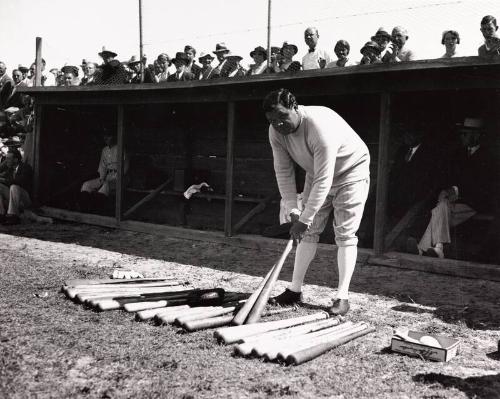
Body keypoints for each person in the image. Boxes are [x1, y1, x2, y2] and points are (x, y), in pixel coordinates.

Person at [264, 88, 370, 315]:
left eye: (283, 116)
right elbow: (283, 172)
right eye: (273, 120)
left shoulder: (319, 127)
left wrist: (305, 218)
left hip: (351, 171)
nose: (279, 124)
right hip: (317, 172)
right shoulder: (275, 132)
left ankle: (342, 297)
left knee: (345, 233)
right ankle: (294, 290)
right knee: (308, 232)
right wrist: (293, 208)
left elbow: (325, 179)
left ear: (295, 107)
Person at [408, 118, 498, 258]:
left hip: (475, 203)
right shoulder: (459, 154)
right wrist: (446, 190)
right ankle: (438, 248)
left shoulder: (488, 157)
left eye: (465, 134)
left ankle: (424, 247)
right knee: (441, 206)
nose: (462, 137)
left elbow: (482, 186)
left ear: (477, 135)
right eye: (462, 134)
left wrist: (455, 191)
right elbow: (450, 176)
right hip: (456, 203)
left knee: (439, 210)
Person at [80, 130, 128, 201]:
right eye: (105, 136)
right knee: (86, 184)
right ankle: (86, 205)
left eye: (108, 136)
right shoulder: (104, 150)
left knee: (105, 186)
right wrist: (102, 178)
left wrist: (117, 177)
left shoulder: (121, 149)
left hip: (118, 178)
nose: (106, 138)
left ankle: (98, 206)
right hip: (107, 176)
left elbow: (126, 166)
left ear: (114, 137)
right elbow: (102, 166)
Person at [0, 148, 32, 225]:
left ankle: (13, 216)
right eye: (5, 158)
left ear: (16, 160)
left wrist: (4, 179)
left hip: (24, 200)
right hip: (14, 200)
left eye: (8, 158)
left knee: (14, 186)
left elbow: (19, 181)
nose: (6, 160)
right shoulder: (10, 170)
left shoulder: (26, 167)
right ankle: (1, 214)